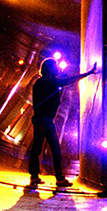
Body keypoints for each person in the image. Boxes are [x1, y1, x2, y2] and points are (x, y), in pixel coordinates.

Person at [28, 59, 97, 188]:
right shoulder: (52, 81)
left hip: (39, 118)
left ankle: (34, 177)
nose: (57, 69)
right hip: (46, 120)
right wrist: (88, 73)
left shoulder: (38, 82)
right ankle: (59, 178)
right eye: (55, 67)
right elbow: (69, 80)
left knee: (36, 149)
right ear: (50, 69)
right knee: (55, 149)